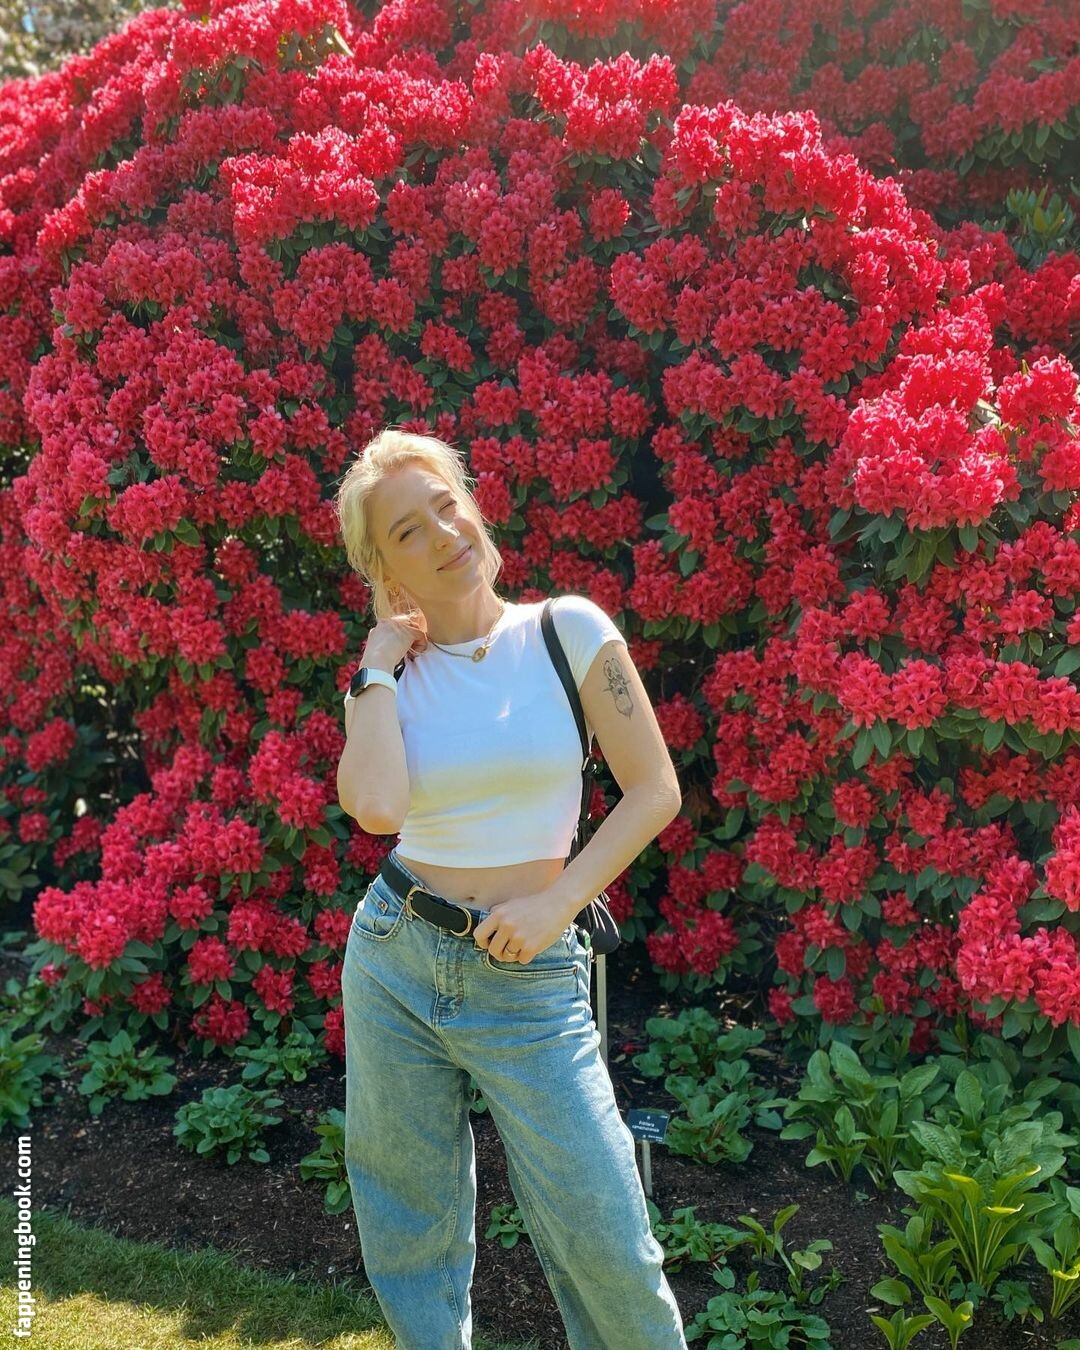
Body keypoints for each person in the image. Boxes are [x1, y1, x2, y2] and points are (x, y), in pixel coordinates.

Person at [333, 426, 689, 1350]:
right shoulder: (390, 682)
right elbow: (376, 807)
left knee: (605, 1234)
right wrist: (375, 664)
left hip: (528, 973)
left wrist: (557, 903)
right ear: (384, 566)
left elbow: (655, 789)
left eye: (446, 505)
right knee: (410, 1232)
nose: (443, 533)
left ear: (472, 504)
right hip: (395, 959)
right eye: (407, 531)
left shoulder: (567, 631)